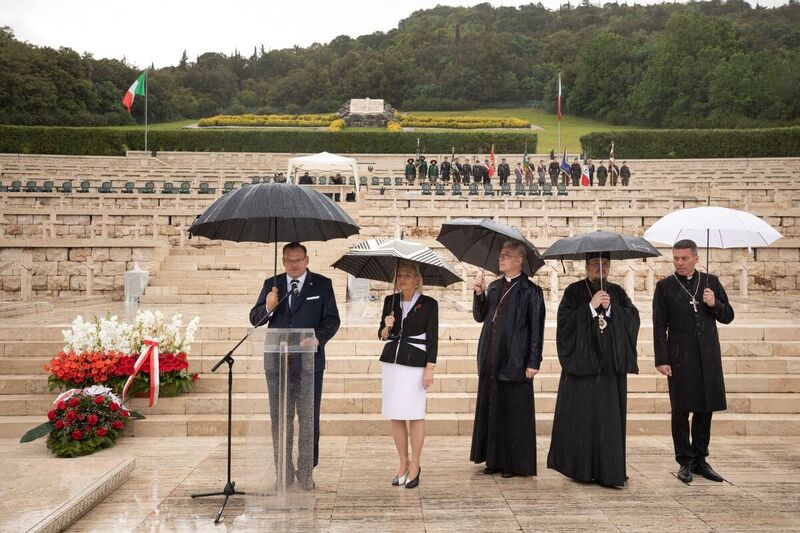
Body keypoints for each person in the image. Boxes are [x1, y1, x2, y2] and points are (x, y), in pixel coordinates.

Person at [249, 242, 341, 489]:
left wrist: (318, 338)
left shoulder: (322, 284)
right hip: (278, 364)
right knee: (281, 419)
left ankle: (306, 471)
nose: (294, 264)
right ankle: (284, 472)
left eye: (298, 260)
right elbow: (255, 319)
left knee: (308, 419)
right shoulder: (272, 284)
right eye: (289, 261)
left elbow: (332, 319)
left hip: (309, 364)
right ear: (283, 261)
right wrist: (268, 306)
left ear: (307, 259)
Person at [548, 253, 640, 487]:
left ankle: (609, 469)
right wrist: (590, 307)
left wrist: (611, 311)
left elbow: (633, 319)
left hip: (610, 369)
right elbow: (564, 323)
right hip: (583, 368)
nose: (601, 268)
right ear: (587, 267)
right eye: (596, 264)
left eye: (605, 264)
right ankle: (582, 469)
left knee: (609, 421)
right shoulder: (574, 292)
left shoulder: (617, 292)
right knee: (583, 420)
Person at [653, 239, 734, 484]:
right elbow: (659, 326)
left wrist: (714, 304)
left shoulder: (711, 283)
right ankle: (684, 461)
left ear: (696, 258)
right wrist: (662, 358)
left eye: (684, 258)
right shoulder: (665, 286)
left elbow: (728, 316)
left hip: (707, 356)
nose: (679, 263)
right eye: (676, 258)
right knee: (680, 411)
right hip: (679, 358)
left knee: (705, 408)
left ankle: (700, 460)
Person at [470, 241, 545, 478]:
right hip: (492, 357)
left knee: (513, 412)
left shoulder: (531, 291)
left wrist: (534, 362)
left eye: (506, 255)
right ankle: (493, 460)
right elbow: (480, 316)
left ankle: (514, 463)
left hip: (516, 358)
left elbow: (536, 329)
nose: (501, 259)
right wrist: (479, 294)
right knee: (493, 409)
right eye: (501, 255)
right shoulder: (493, 286)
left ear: (519, 260)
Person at [378, 262, 438, 489]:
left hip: (416, 363)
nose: (402, 279)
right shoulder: (389, 302)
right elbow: (382, 335)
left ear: (416, 280)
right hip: (392, 362)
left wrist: (430, 368)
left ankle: (415, 464)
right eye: (399, 275)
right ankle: (402, 462)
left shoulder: (429, 304)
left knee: (414, 414)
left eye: (407, 275)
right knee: (396, 414)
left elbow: (433, 338)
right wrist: (387, 326)